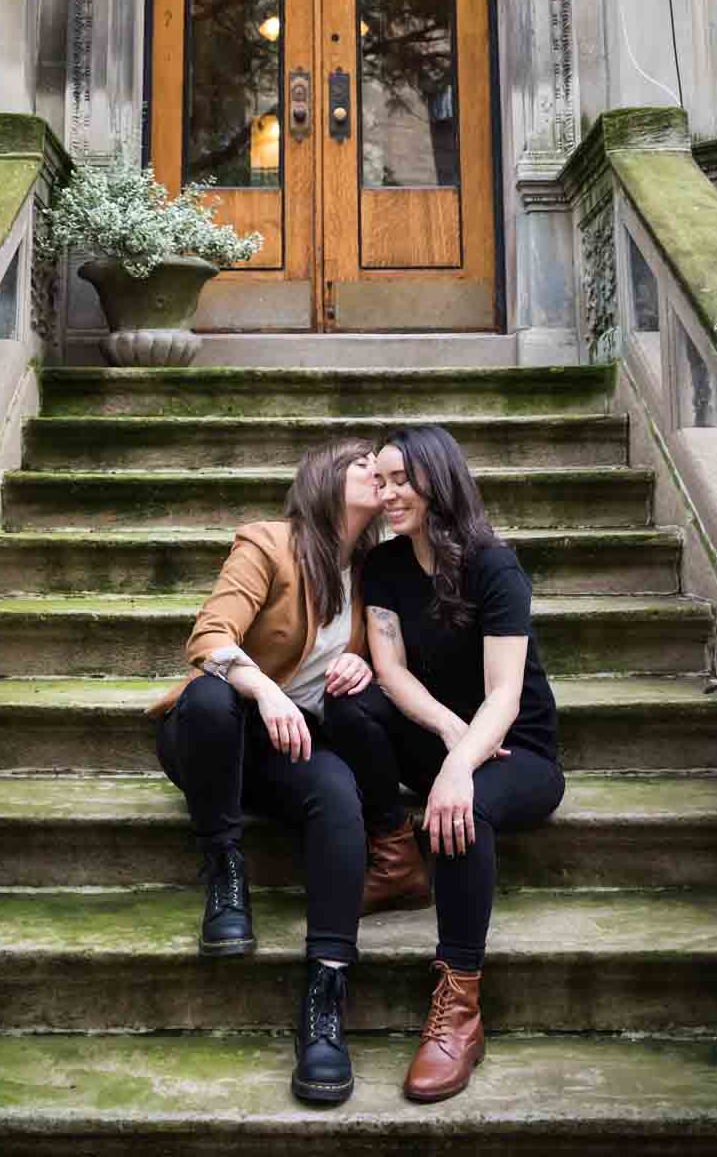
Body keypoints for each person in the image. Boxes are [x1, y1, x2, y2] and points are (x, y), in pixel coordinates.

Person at [323, 422, 564, 1104]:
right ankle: (395, 858)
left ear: (438, 480)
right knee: (349, 703)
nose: (389, 492)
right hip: (447, 737)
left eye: (403, 480)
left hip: (519, 751)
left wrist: (463, 765)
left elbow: (506, 695)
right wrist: (449, 739)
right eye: (383, 479)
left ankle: (458, 1005)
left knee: (468, 807)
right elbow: (391, 671)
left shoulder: (493, 565)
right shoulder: (384, 565)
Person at [152, 436, 384, 1107]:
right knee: (210, 693)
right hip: (211, 740)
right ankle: (225, 868)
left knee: (339, 795)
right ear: (323, 477)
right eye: (361, 463)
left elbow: (392, 662)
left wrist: (362, 666)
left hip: (291, 751)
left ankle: (324, 996)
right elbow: (209, 637)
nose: (376, 472)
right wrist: (265, 688)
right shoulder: (269, 543)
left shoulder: (377, 571)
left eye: (382, 466)